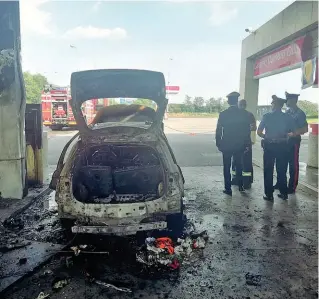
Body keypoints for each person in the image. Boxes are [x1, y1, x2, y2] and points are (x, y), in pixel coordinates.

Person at [257, 95, 296, 201]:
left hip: (269, 146)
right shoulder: (288, 117)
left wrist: (266, 136)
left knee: (268, 170)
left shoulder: (267, 116)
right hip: (283, 147)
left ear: (275, 105)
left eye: (272, 103)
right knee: (282, 170)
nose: (271, 105)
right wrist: (285, 137)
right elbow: (293, 132)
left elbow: (259, 132)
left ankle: (269, 195)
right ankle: (284, 193)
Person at [216, 92, 251, 196]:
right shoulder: (244, 114)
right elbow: (247, 131)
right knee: (239, 165)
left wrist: (218, 143)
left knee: (226, 166)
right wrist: (246, 144)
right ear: (237, 101)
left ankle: (228, 189)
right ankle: (240, 186)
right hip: (239, 144)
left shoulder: (223, 114)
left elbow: (219, 130)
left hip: (226, 144)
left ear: (228, 101)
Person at [273, 92, 308, 194]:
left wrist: (294, 133)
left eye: (288, 99)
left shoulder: (300, 114)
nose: (286, 101)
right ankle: (280, 183)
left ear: (293, 101)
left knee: (293, 165)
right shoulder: (287, 112)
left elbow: (305, 129)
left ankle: (292, 186)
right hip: (283, 142)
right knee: (281, 164)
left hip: (293, 142)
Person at [231, 99, 257, 189]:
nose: (242, 106)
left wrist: (247, 128)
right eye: (240, 104)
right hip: (236, 141)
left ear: (245, 105)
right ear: (238, 104)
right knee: (235, 161)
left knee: (246, 161)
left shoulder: (249, 115)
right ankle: (235, 179)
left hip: (245, 142)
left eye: (243, 104)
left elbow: (254, 127)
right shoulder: (234, 115)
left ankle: (247, 181)